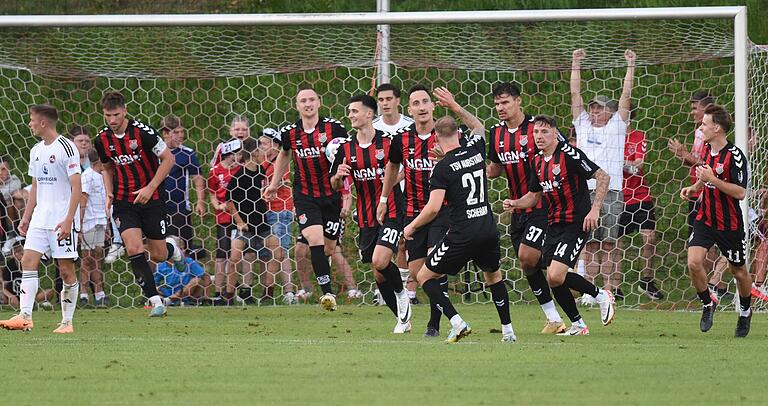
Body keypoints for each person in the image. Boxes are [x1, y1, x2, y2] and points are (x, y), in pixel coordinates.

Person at [404, 110, 515, 343]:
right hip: (487, 227)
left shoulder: (442, 168)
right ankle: (508, 332)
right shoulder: (475, 150)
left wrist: (411, 227)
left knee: (424, 276)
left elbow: (433, 208)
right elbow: (479, 126)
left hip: (462, 233)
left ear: (435, 138)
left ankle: (457, 322)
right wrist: (455, 106)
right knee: (494, 277)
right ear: (458, 133)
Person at [504, 115, 616, 336]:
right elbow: (534, 197)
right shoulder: (536, 161)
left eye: (545, 132)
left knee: (555, 275)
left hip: (576, 222)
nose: (539, 136)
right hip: (553, 224)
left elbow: (602, 177)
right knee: (554, 278)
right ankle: (578, 324)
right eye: (536, 132)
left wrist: (594, 209)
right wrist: (515, 203)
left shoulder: (569, 154)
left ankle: (601, 296)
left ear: (555, 133)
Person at [91, 91, 183, 317]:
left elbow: (168, 159)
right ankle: (155, 301)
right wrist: (109, 193)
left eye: (115, 115)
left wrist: (150, 187)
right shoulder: (102, 139)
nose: (112, 120)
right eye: (107, 116)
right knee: (133, 247)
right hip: (124, 201)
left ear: (124, 111)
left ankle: (173, 249)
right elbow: (107, 168)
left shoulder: (143, 133)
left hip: (152, 200)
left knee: (159, 255)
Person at [486, 81, 565, 334]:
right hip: (517, 207)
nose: (501, 107)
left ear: (519, 101)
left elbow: (562, 154)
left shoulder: (537, 128)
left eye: (505, 102)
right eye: (497, 103)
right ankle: (554, 318)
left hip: (544, 205)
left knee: (527, 256)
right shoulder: (495, 133)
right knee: (527, 264)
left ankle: (572, 275)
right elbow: (495, 169)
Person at [376, 84, 455, 337]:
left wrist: (447, 157)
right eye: (416, 104)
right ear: (410, 109)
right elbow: (392, 166)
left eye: (425, 102)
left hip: (442, 210)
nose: (421, 107)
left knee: (434, 266)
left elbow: (464, 161)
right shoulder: (402, 139)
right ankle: (416, 309)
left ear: (432, 106)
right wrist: (384, 197)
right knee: (418, 273)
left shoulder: (445, 135)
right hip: (414, 212)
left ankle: (435, 324)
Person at [330, 94, 412, 333]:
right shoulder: (345, 147)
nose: (351, 115)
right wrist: (338, 176)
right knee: (378, 274)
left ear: (369, 114)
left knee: (380, 259)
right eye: (349, 112)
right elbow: (334, 184)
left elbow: (406, 168)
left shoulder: (389, 143)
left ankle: (402, 294)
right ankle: (402, 319)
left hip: (392, 210)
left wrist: (386, 190)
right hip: (366, 216)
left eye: (355, 111)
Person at [264, 85, 348, 311]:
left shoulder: (335, 129)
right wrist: (274, 184)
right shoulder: (290, 132)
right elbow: (284, 155)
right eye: (303, 101)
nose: (308, 104)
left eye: (312, 100)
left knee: (329, 249)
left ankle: (328, 286)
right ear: (297, 106)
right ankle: (327, 294)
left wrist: (348, 188)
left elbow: (347, 157)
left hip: (332, 196)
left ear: (319, 102)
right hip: (304, 196)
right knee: (314, 241)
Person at [0, 104, 81, 333]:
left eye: (32, 120)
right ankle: (25, 316)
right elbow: (35, 186)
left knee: (65, 270)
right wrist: (26, 217)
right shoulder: (36, 150)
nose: (29, 123)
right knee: (28, 261)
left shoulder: (67, 148)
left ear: (43, 123)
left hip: (61, 219)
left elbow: (77, 187)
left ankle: (67, 322)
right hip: (39, 218)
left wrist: (68, 220)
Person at [681, 104, 752, 337]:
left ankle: (744, 311)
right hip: (705, 218)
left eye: (704, 124)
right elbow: (705, 176)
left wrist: (713, 179)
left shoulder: (735, 156)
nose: (701, 127)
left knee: (739, 272)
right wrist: (694, 188)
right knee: (693, 262)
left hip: (729, 224)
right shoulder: (706, 150)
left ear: (717, 128)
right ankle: (707, 302)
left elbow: (740, 192)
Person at [571, 48, 636, 299]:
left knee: (609, 243)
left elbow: (626, 94)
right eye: (593, 108)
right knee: (588, 244)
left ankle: (609, 289)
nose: (594, 111)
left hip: (611, 192)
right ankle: (590, 290)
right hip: (584, 190)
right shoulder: (583, 124)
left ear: (610, 111)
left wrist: (630, 65)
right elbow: (575, 93)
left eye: (599, 108)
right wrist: (576, 63)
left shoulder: (617, 127)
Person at [669, 90, 730, 300]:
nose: (692, 111)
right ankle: (713, 286)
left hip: (713, 195)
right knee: (702, 244)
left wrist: (684, 155)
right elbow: (702, 164)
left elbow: (709, 165)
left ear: (706, 109)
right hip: (699, 193)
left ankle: (716, 285)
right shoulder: (700, 133)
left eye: (695, 107)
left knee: (722, 241)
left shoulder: (711, 136)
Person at [374, 83, 417, 302]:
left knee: (406, 241)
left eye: (389, 99)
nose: (385, 103)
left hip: (411, 190)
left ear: (398, 101)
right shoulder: (373, 127)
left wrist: (399, 178)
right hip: (384, 195)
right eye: (381, 100)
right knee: (386, 243)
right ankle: (391, 286)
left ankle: (409, 289)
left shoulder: (411, 125)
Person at [619, 111, 663, 300]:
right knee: (614, 243)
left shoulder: (638, 137)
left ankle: (646, 280)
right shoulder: (610, 138)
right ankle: (615, 286)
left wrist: (621, 163)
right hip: (618, 197)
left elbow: (639, 166)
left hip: (640, 196)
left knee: (649, 237)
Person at [226, 138, 274, 304]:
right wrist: (239, 221)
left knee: (275, 252)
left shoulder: (261, 171)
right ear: (254, 153)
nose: (264, 153)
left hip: (261, 221)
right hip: (244, 224)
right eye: (261, 150)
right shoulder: (239, 175)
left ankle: (268, 294)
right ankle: (229, 296)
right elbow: (229, 201)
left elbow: (260, 191)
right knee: (234, 258)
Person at [259, 129, 297, 304]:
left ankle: (289, 292)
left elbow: (285, 181)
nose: (261, 147)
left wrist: (268, 187)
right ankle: (270, 290)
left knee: (281, 251)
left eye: (264, 143)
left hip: (280, 209)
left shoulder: (281, 162)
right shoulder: (264, 163)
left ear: (275, 145)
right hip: (268, 210)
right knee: (271, 252)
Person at [160, 114, 206, 253]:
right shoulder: (154, 152)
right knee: (159, 247)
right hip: (158, 206)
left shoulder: (187, 153)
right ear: (166, 133)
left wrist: (200, 201)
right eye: (176, 132)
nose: (181, 136)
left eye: (182, 132)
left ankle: (187, 273)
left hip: (179, 207)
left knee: (181, 248)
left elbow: (198, 178)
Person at [207, 139, 242, 305]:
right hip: (223, 218)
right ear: (229, 154)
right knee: (222, 255)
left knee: (237, 255)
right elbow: (212, 192)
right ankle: (218, 291)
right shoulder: (215, 171)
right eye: (236, 154)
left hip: (240, 218)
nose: (238, 157)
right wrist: (217, 206)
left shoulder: (240, 170)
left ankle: (232, 291)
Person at [79, 149, 108, 307]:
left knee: (98, 257)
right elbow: (82, 201)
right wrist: (80, 226)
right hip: (88, 222)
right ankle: (83, 294)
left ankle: (99, 293)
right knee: (87, 258)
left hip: (100, 221)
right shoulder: (87, 176)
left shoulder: (104, 176)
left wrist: (108, 224)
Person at [2, 236, 54, 310]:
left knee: (49, 292)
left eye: (20, 250)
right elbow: (3, 288)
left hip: (30, 297)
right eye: (15, 251)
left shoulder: (33, 264)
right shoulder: (9, 266)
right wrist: (11, 296)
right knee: (5, 297)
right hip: (14, 297)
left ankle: (32, 304)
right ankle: (30, 306)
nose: (18, 254)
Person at [155, 237, 211, 306]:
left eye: (183, 248)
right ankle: (164, 301)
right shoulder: (162, 265)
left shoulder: (189, 262)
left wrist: (207, 298)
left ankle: (174, 300)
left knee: (197, 280)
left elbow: (206, 277)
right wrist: (157, 289)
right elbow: (155, 282)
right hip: (168, 293)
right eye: (180, 249)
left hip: (186, 293)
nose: (183, 251)